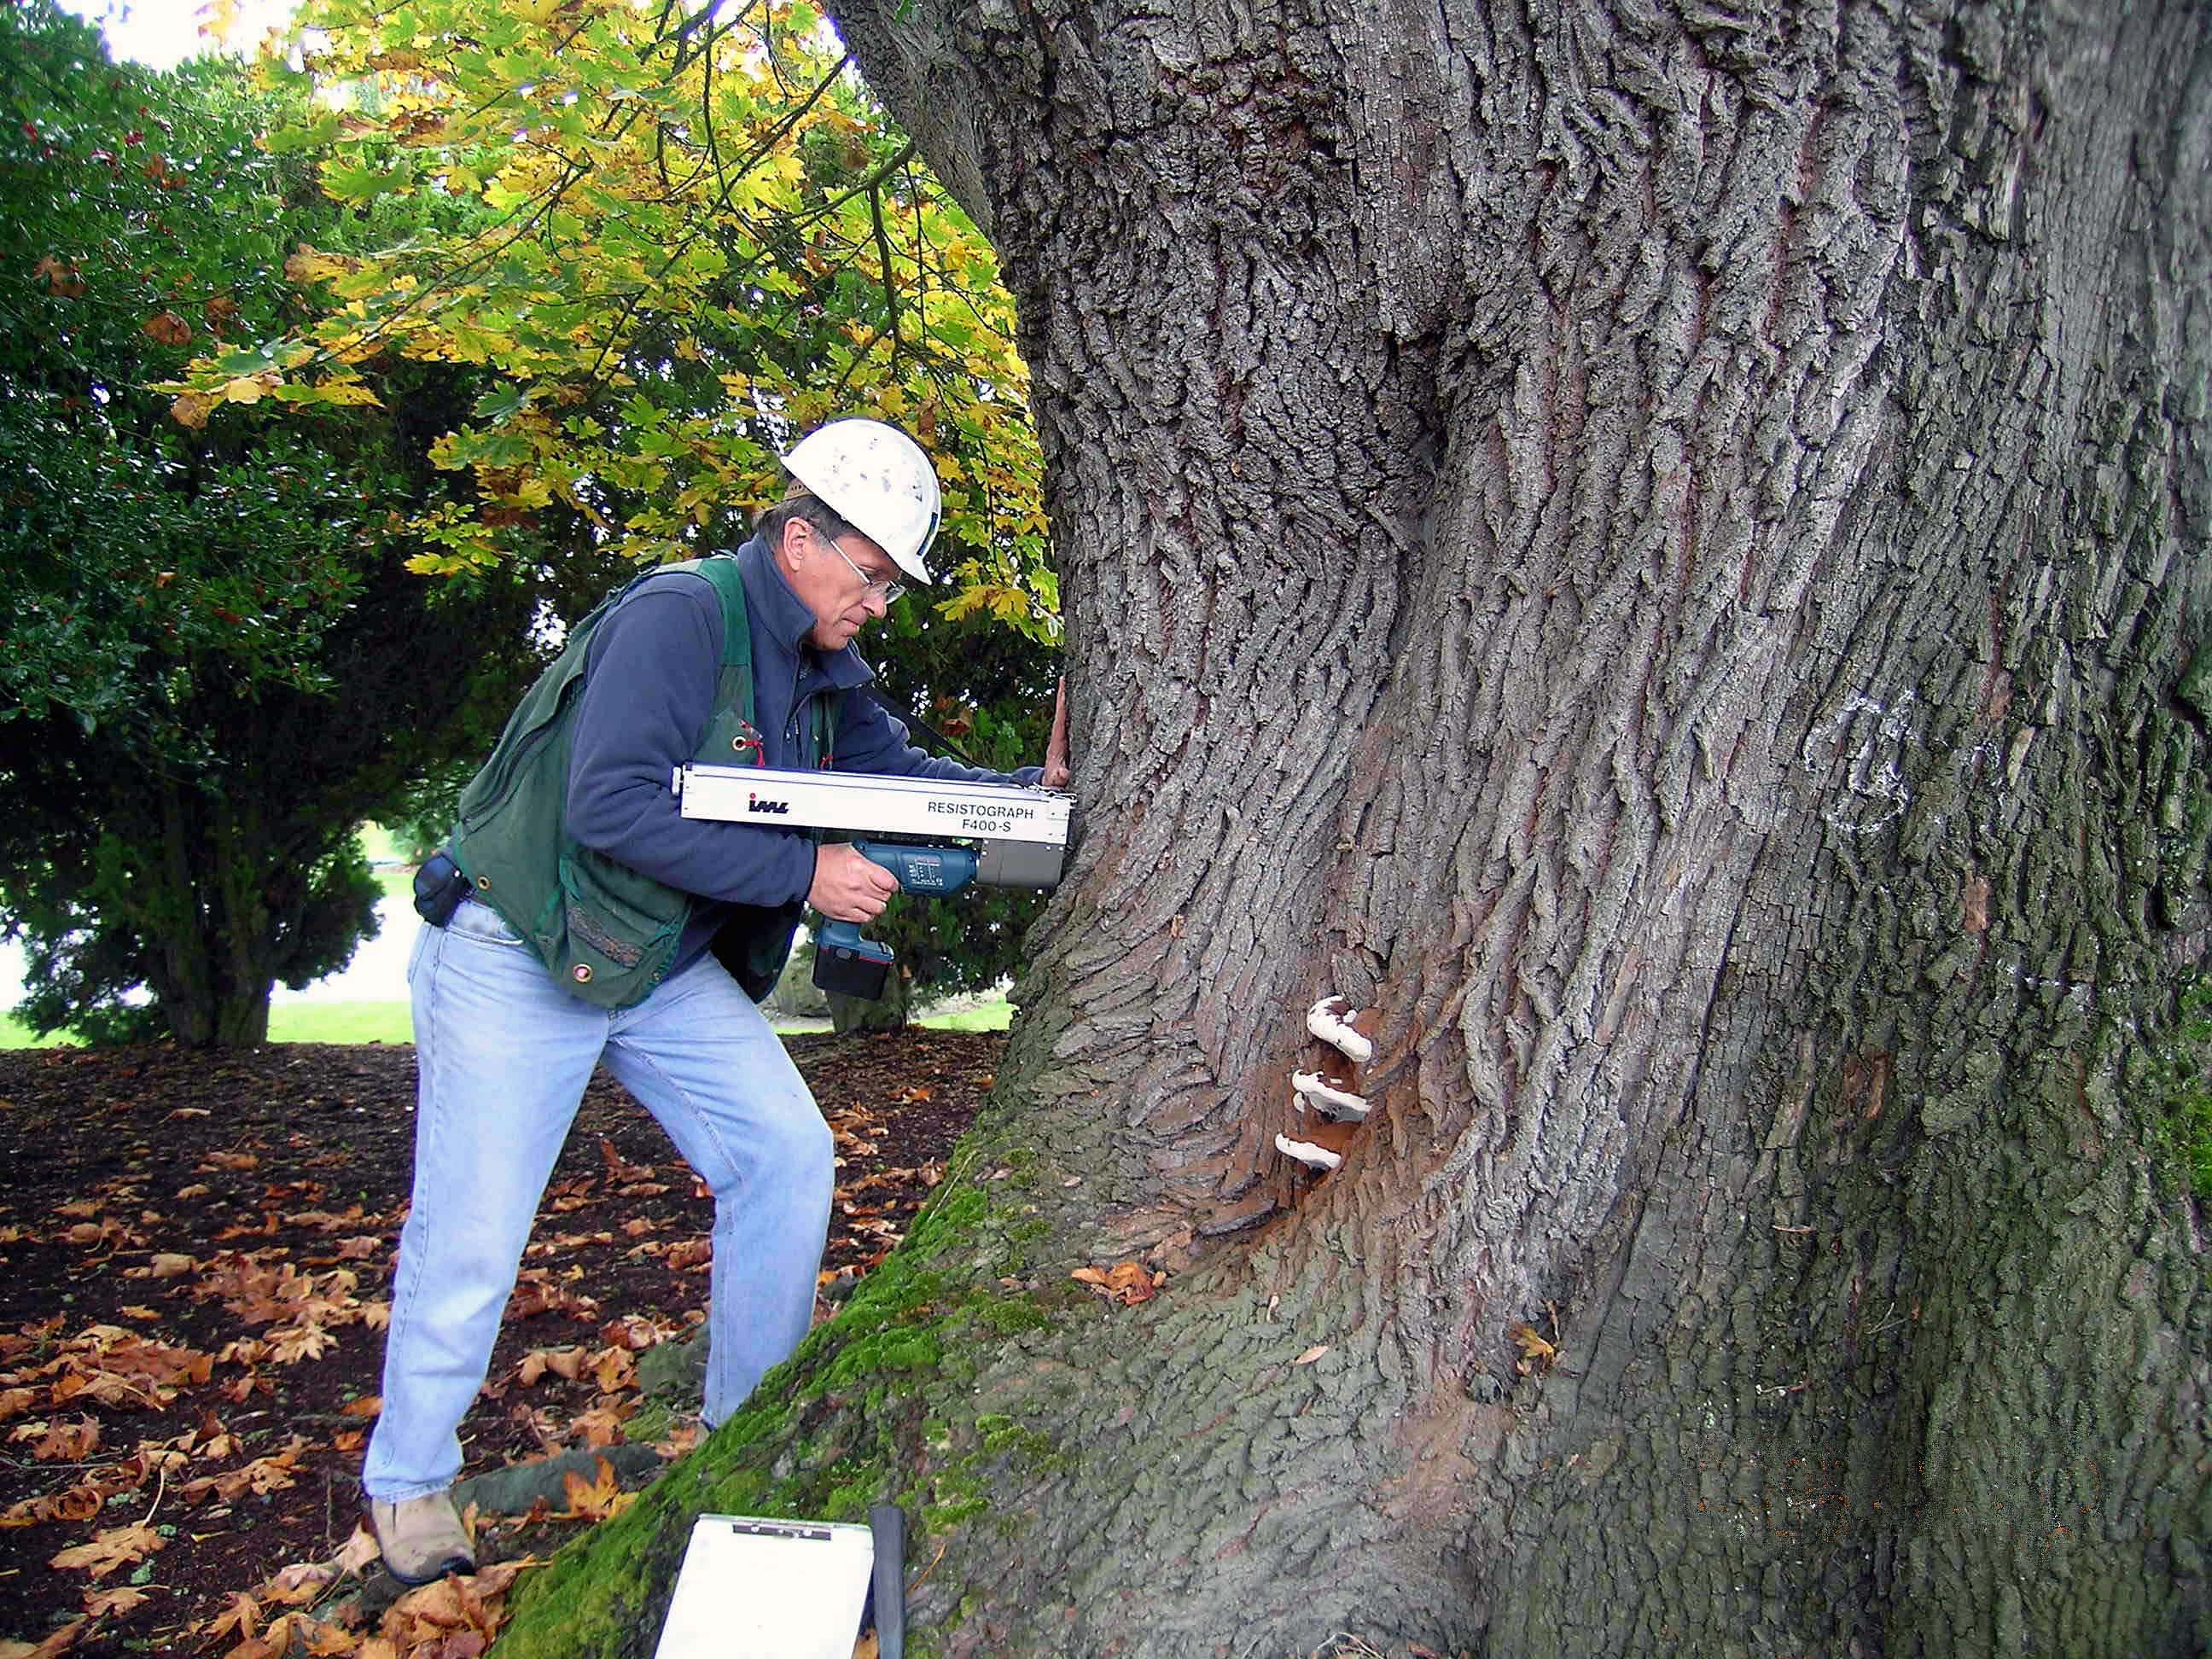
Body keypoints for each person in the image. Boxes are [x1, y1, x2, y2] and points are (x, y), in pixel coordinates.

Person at [362, 418, 1069, 1584]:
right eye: (872, 572)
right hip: (523, 944)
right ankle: (409, 1485)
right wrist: (807, 876)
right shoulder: (678, 616)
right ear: (801, 539)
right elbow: (611, 808)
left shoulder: (825, 669)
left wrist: (1028, 796)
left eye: (893, 582)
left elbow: (902, 785)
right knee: (477, 1230)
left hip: (653, 960)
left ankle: (738, 1445)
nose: (881, 602)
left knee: (786, 1156)